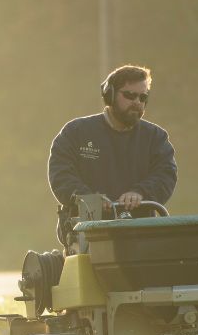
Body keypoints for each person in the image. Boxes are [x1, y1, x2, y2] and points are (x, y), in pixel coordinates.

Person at [48, 64, 177, 222]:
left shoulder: (156, 137)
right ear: (110, 95)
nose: (137, 102)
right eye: (129, 95)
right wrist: (89, 199)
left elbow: (165, 175)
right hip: (86, 231)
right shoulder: (75, 132)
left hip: (141, 231)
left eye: (142, 97)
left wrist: (140, 193)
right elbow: (61, 174)